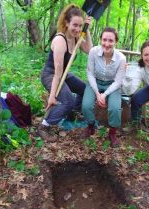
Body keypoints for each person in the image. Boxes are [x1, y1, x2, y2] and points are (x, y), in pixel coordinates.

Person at [38, 4, 93, 141]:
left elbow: (89, 50)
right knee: (67, 100)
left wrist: (87, 30)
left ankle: (72, 113)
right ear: (67, 23)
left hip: (64, 74)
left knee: (85, 89)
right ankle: (45, 126)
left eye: (80, 26)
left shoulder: (76, 37)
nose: (77, 29)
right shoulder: (60, 40)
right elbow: (57, 73)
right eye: (75, 25)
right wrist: (51, 97)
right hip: (51, 75)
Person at [82, 27, 126, 147]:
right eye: (104, 39)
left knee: (115, 108)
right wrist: (97, 93)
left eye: (110, 40)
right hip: (94, 82)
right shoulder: (93, 52)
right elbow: (90, 73)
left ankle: (112, 132)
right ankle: (91, 126)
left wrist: (104, 95)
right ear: (100, 39)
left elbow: (118, 81)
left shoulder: (121, 58)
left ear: (115, 42)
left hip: (112, 85)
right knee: (86, 105)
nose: (107, 44)